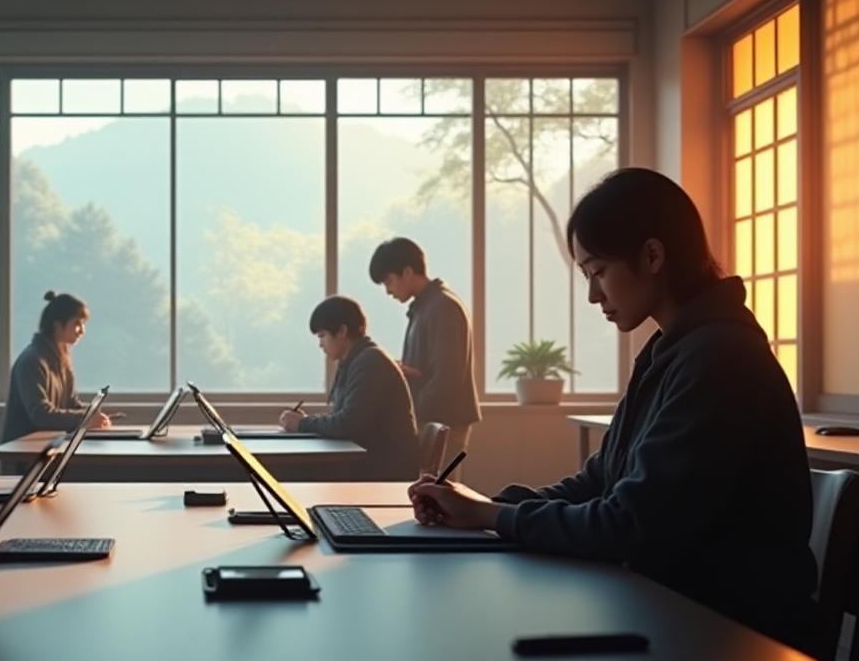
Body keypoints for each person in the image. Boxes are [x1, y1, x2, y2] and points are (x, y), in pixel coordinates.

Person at [407, 168, 818, 649]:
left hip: (724, 634)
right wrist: (492, 505)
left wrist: (491, 518)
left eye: (598, 271)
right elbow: (601, 480)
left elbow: (628, 526)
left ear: (652, 255)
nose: (592, 294)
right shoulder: (675, 349)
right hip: (669, 607)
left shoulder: (721, 358)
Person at [278, 296, 419, 480]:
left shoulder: (370, 362)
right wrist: (305, 422)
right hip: (369, 460)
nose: (320, 344)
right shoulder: (357, 360)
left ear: (342, 331)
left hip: (381, 467)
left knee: (288, 472)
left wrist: (302, 423)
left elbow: (349, 424)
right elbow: (345, 418)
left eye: (322, 336)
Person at [369, 237, 482, 465]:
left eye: (389, 281)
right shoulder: (425, 307)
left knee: (437, 495)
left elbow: (448, 377)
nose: (388, 291)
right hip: (433, 417)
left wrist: (410, 414)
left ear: (408, 272)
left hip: (443, 420)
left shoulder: (442, 307)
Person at [2, 291, 114, 443]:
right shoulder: (32, 361)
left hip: (48, 446)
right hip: (24, 453)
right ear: (57, 325)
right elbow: (40, 415)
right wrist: (86, 418)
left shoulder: (61, 359)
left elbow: (71, 404)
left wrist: (93, 414)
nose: (82, 330)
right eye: (77, 323)